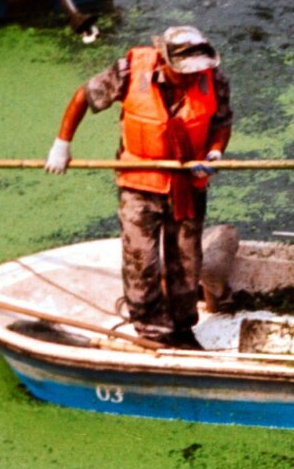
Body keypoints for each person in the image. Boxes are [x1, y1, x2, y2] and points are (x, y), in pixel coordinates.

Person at [44, 26, 234, 348]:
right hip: (139, 182)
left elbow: (221, 124)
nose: (191, 78)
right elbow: (83, 96)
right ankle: (150, 329)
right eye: (183, 73)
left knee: (186, 262)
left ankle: (183, 328)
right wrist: (62, 144)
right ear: (164, 62)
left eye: (195, 71)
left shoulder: (213, 79)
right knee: (141, 261)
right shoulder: (130, 71)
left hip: (188, 183)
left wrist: (214, 153)